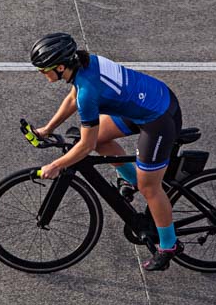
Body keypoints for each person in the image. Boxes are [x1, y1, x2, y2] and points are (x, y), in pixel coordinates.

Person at [28, 32, 184, 271]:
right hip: (140, 105)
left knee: (150, 187)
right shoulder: (84, 65)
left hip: (158, 117)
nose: (41, 74)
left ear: (60, 67)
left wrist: (56, 165)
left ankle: (168, 245)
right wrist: (48, 128)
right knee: (101, 140)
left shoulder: (89, 93)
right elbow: (73, 98)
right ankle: (131, 180)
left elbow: (85, 147)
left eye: (43, 70)